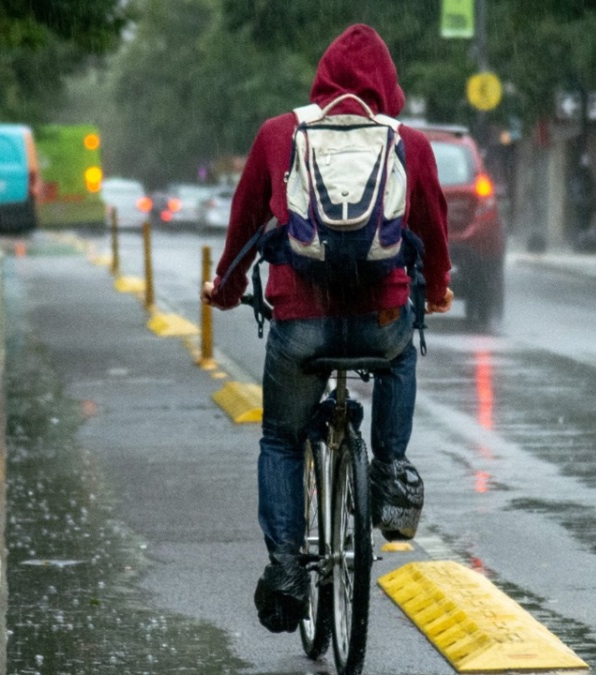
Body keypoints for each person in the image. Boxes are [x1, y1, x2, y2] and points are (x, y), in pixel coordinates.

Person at [200, 24, 454, 633]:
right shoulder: (408, 143)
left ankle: (287, 568)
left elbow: (243, 225)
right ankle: (389, 469)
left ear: (322, 78)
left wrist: (228, 289)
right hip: (381, 319)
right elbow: (433, 231)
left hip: (301, 321)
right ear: (387, 86)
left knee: (281, 441)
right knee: (400, 358)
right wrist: (438, 287)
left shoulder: (278, 134)